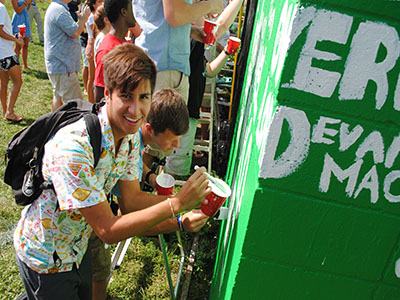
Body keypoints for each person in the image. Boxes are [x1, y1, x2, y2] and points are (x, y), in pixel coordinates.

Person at [14, 42, 210, 300]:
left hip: (76, 249)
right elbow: (107, 229)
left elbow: (131, 201)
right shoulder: (74, 147)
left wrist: (185, 205)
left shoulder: (128, 138)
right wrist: (177, 203)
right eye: (126, 96)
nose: (136, 110)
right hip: (45, 259)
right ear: (108, 92)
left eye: (144, 97)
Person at [91, 88, 208, 300]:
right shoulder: (132, 142)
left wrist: (150, 177)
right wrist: (179, 209)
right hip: (80, 224)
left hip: (89, 214)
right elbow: (129, 210)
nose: (177, 145)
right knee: (98, 271)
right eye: (173, 139)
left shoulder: (134, 137)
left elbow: (132, 168)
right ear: (150, 129)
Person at [132, 0, 224, 175]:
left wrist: (190, 31)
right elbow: (174, 15)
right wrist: (211, 5)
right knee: (150, 143)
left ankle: (145, 191)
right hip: (162, 66)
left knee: (159, 146)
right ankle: (134, 195)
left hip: (168, 64)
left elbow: (163, 20)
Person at [184, 0, 244, 175]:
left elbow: (208, 71)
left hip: (190, 111)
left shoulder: (194, 43)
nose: (210, 18)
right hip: (181, 112)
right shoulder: (184, 39)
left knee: (173, 168)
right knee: (169, 167)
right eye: (206, 15)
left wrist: (227, 52)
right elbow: (221, 27)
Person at [44, 0, 90, 111]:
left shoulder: (58, 8)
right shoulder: (59, 10)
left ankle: (55, 126)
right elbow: (75, 32)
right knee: (75, 106)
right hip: (63, 65)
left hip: (59, 65)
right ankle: (70, 127)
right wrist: (83, 19)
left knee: (58, 97)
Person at [94, 0, 134, 103]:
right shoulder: (108, 50)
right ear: (124, 12)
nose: (136, 11)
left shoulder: (126, 43)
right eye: (132, 7)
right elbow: (100, 93)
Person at [0, 0, 24, 122]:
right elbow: (0, 31)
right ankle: (10, 112)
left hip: (1, 53)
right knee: (17, 82)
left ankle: (5, 111)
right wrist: (17, 41)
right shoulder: (1, 8)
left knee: (3, 83)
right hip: (7, 52)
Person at [85, 0, 103, 103]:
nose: (102, 4)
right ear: (93, 4)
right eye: (99, 1)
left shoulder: (96, 15)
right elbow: (93, 36)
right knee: (92, 78)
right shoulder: (93, 17)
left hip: (94, 46)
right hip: (93, 47)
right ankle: (91, 103)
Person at [11, 0, 31, 69]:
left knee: (26, 44)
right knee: (18, 45)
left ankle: (25, 65)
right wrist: (26, 3)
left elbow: (28, 8)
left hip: (25, 19)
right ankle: (15, 65)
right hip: (18, 20)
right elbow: (17, 10)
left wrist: (29, 2)